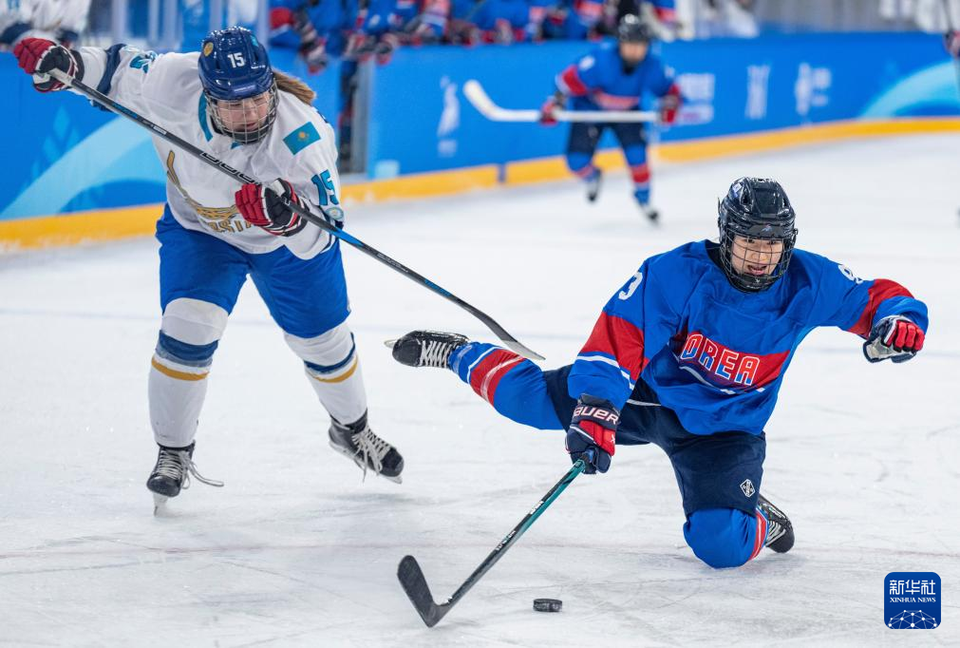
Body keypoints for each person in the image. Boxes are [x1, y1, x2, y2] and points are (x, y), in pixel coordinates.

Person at [386, 177, 928, 569]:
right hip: (648, 395)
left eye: (772, 245)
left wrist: (898, 321)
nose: (761, 259)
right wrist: (598, 409)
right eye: (749, 245)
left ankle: (762, 518)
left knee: (722, 546)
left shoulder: (809, 281)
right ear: (725, 238)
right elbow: (621, 337)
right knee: (525, 403)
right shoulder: (678, 272)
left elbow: (873, 299)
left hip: (725, 432)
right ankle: (456, 352)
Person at [13, 26, 404, 509]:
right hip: (200, 230)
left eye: (259, 100)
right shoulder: (171, 81)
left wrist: (286, 220)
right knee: (186, 330)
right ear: (207, 94)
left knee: (325, 344)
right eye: (234, 105)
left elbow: (322, 236)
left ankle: (352, 431)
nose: (250, 114)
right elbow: (112, 70)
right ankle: (173, 452)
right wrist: (68, 66)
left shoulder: (303, 136)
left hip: (286, 248)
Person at [539, 14, 681, 221]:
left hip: (627, 113)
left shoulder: (652, 66)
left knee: (638, 157)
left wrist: (670, 107)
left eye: (640, 45)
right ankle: (593, 176)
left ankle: (644, 199)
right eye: (630, 44)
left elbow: (672, 92)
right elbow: (565, 83)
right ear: (620, 44)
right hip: (591, 110)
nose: (635, 50)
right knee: (576, 162)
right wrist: (555, 104)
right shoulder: (600, 60)